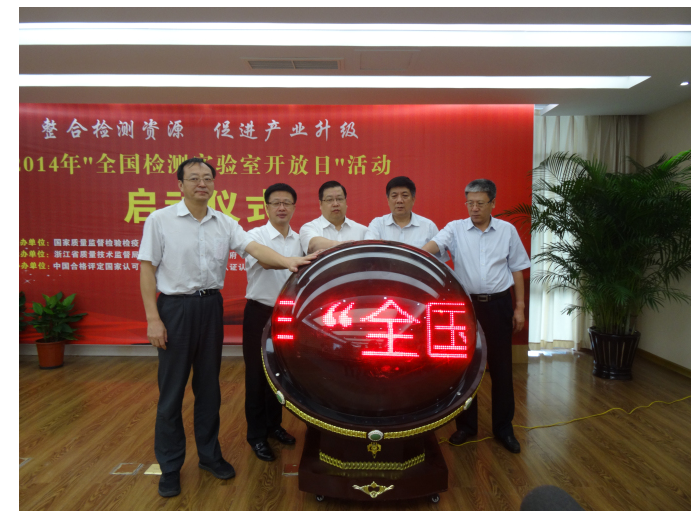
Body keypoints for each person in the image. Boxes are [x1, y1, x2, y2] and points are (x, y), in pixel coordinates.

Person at [138, 158, 317, 498]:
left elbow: (255, 248)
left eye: (207, 178)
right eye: (194, 178)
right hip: (175, 308)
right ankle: (171, 466)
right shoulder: (160, 220)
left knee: (209, 388)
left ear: (214, 184)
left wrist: (288, 261)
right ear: (180, 185)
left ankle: (210, 456)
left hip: (210, 307)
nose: (201, 183)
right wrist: (153, 318)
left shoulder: (225, 222)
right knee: (172, 392)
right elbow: (147, 269)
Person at [422, 178, 530, 454]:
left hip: (499, 305)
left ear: (493, 203)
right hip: (467, 308)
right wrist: (414, 255)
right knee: (465, 369)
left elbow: (517, 269)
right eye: (469, 203)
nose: (474, 208)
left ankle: (504, 429)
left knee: (502, 369)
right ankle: (466, 427)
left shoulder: (506, 231)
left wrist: (519, 308)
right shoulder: (455, 228)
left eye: (480, 203)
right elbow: (432, 247)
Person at [242, 183, 301, 462]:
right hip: (260, 312)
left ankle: (274, 426)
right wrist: (290, 261)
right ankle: (256, 435)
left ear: (294, 207)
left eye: (286, 203)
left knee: (279, 374)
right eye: (276, 202)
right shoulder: (255, 236)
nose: (281, 207)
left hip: (288, 317)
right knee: (256, 375)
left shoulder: (300, 239)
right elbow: (265, 262)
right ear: (266, 207)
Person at [365, 175, 447, 261]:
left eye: (404, 195)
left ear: (413, 199)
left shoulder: (428, 226)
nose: (399, 200)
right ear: (388, 200)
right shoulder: (377, 224)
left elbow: (439, 263)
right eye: (394, 196)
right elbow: (368, 252)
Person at [299, 180, 368, 254]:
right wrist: (344, 246)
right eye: (329, 200)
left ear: (346, 202)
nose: (335, 204)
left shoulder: (363, 231)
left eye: (339, 199)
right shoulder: (309, 227)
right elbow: (313, 245)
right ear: (320, 204)